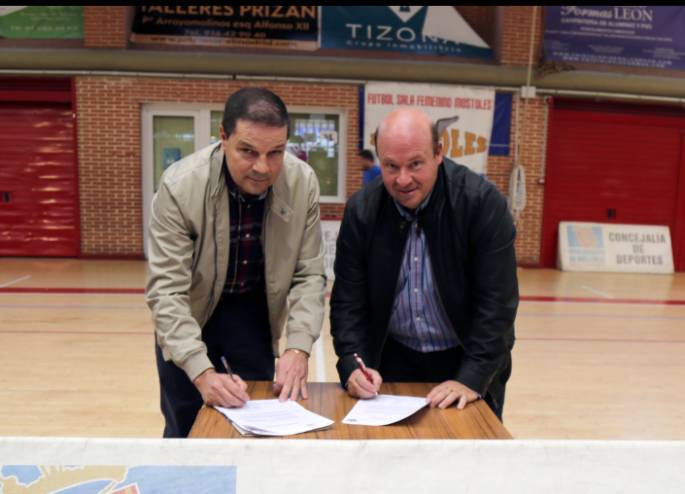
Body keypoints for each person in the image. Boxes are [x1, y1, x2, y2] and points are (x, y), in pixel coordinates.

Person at [146, 87, 326, 437]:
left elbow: (309, 274)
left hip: (252, 316)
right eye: (248, 151)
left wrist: (298, 347)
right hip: (190, 315)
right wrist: (200, 371)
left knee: (255, 429)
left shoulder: (302, 183)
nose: (262, 167)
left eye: (276, 153)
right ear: (223, 137)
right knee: (186, 429)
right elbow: (167, 292)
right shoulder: (180, 186)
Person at [330, 108, 518, 420]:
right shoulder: (361, 211)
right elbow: (348, 300)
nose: (403, 179)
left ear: (438, 153)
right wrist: (352, 362)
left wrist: (472, 377)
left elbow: (497, 304)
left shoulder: (481, 204)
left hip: (466, 357)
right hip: (391, 359)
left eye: (415, 164)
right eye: (391, 166)